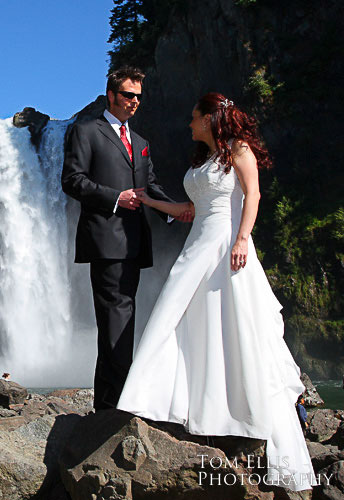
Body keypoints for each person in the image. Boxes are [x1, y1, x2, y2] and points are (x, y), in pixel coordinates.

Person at [117, 93, 316, 491]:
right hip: (198, 243)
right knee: (184, 318)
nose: (189, 125)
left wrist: (242, 240)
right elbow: (190, 211)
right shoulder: (202, 159)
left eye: (194, 118)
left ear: (211, 118)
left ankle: (236, 410)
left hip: (226, 246)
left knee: (231, 323)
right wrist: (151, 200)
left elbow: (253, 195)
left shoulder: (239, 150)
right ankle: (168, 402)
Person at [61, 66, 192, 411]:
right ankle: (115, 404)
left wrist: (174, 209)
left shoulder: (141, 142)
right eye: (128, 95)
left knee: (122, 319)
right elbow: (72, 181)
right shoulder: (86, 131)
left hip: (135, 243)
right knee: (116, 320)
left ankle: (110, 402)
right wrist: (116, 198)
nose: (135, 102)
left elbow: (151, 186)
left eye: (138, 97)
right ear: (111, 96)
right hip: (105, 240)